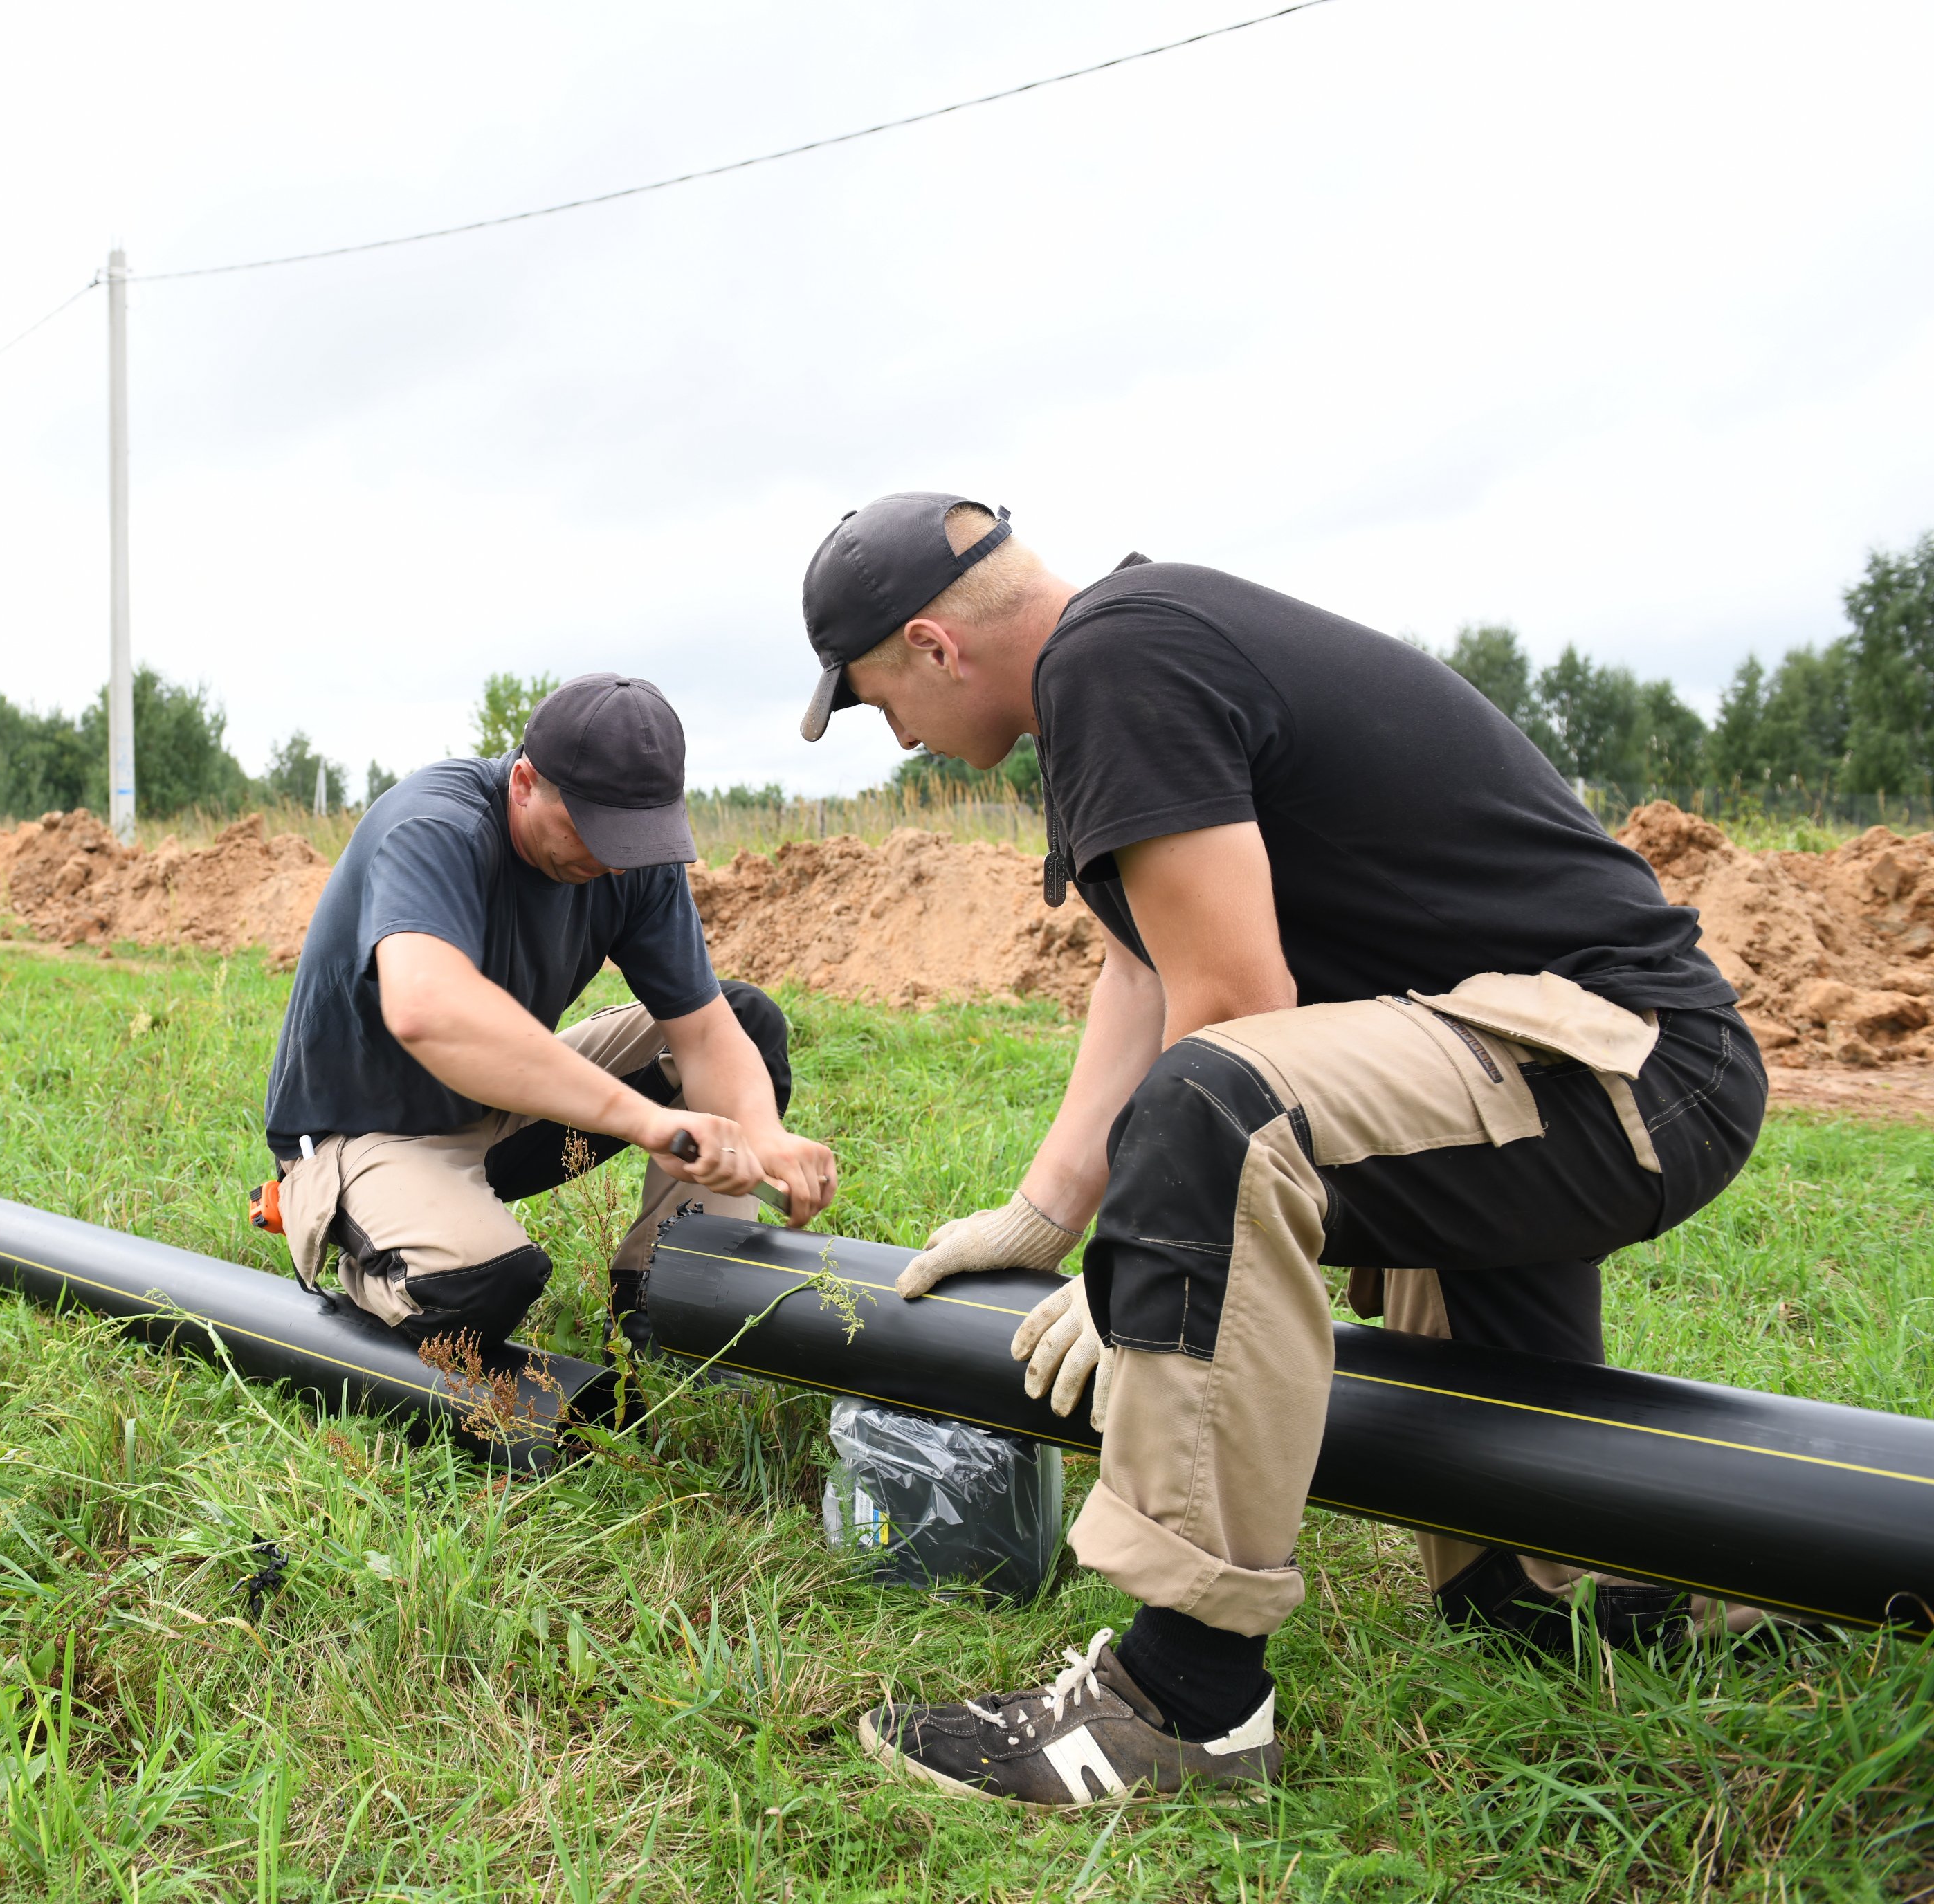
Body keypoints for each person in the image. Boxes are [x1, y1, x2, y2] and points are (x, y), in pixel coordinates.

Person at [796, 493, 1764, 1806]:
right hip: (1522, 1059)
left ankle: (1182, 1700)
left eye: (871, 699)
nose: (892, 733)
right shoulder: (1128, 652)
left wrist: (1145, 1254)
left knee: (1214, 1112)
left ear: (931, 644)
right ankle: (1622, 1586)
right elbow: (1143, 968)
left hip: (1619, 1066)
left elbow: (1234, 1012)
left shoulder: (1114, 660)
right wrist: (1047, 1210)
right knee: (1514, 1587)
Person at [263, 673, 839, 1364]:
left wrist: (764, 1137)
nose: (611, 861)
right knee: (477, 1289)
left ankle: (670, 1305)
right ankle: (372, 1229)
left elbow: (707, 1031)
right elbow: (427, 1010)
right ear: (526, 781)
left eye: (635, 839)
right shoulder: (437, 827)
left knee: (746, 1018)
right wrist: (645, 1120)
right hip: (360, 1127)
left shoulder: (630, 861)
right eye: (590, 832)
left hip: (495, 1109)